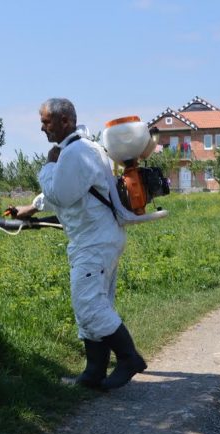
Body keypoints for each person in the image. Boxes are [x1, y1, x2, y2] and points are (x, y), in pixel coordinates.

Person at [28, 98, 147, 390]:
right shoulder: (85, 148)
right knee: (93, 304)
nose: (42, 128)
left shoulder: (73, 153)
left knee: (89, 304)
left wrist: (47, 165)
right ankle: (93, 372)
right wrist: (30, 208)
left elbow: (60, 194)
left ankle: (129, 358)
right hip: (98, 238)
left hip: (94, 242)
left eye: (46, 122)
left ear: (65, 121)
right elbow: (74, 189)